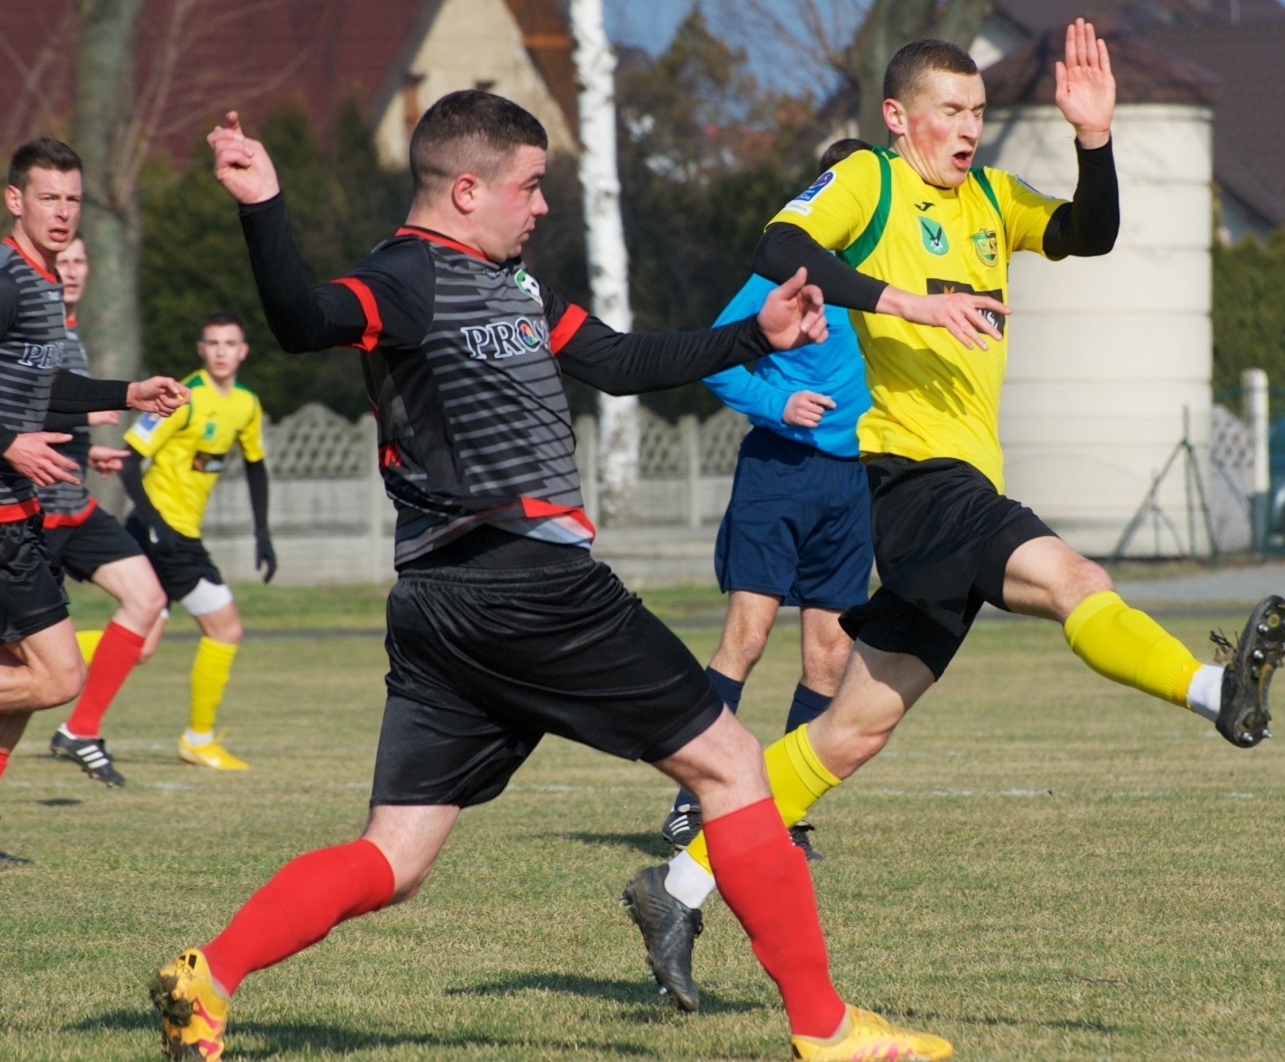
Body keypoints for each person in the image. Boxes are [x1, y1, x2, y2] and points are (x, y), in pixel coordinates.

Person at [149, 92, 951, 1062]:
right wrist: (264, 206)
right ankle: (825, 1029)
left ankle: (211, 976)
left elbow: (616, 361)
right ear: (466, 188)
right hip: (524, 584)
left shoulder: (517, 285)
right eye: (530, 188)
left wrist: (754, 336)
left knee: (395, 859)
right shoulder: (406, 278)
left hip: (444, 605)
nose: (540, 208)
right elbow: (301, 319)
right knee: (734, 768)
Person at [623, 21, 1285, 1009]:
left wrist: (1095, 141)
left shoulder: (988, 198)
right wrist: (903, 302)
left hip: (955, 484)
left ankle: (674, 888)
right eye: (949, 111)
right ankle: (1213, 691)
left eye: (977, 112)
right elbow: (779, 244)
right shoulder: (872, 180)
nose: (967, 129)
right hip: (906, 479)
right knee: (1075, 581)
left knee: (848, 735)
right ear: (898, 119)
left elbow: (1087, 233)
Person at [657, 137, 874, 862]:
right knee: (746, 640)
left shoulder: (889, 275)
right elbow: (716, 356)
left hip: (853, 485)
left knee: (829, 654)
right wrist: (781, 404)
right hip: (779, 473)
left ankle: (783, 810)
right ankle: (693, 803)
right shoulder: (789, 267)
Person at [0, 137, 187, 864]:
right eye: (49, 197)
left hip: (16, 508)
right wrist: (7, 444)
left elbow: (48, 392)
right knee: (57, 676)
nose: (64, 211)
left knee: (13, 672)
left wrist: (124, 395)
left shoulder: (43, 282)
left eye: (73, 198)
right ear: (16, 200)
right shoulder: (5, 282)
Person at [120, 311, 275, 772]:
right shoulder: (182, 398)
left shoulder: (246, 404)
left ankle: (29, 667)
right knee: (225, 627)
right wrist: (156, 525)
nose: (223, 351)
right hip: (165, 533)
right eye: (214, 343)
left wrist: (263, 533)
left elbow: (254, 464)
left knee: (138, 646)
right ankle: (198, 738)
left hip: (178, 533)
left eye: (231, 343)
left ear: (243, 351)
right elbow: (128, 462)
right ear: (201, 350)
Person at [41, 235, 170, 788]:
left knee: (148, 601)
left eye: (79, 261)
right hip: (32, 516)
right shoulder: (37, 334)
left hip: (76, 505)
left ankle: (80, 729)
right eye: (62, 261)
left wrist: (86, 450)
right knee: (29, 673)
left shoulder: (72, 331)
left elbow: (54, 418)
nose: (71, 270)